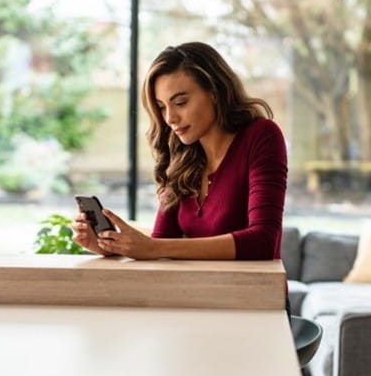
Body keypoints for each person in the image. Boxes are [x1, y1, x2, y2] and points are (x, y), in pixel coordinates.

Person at [71, 42, 287, 262]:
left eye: (181, 102)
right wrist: (111, 245)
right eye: (162, 107)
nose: (170, 118)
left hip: (254, 294)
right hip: (192, 294)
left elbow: (263, 241)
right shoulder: (182, 156)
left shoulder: (261, 136)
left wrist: (153, 247)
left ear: (214, 92)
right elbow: (162, 241)